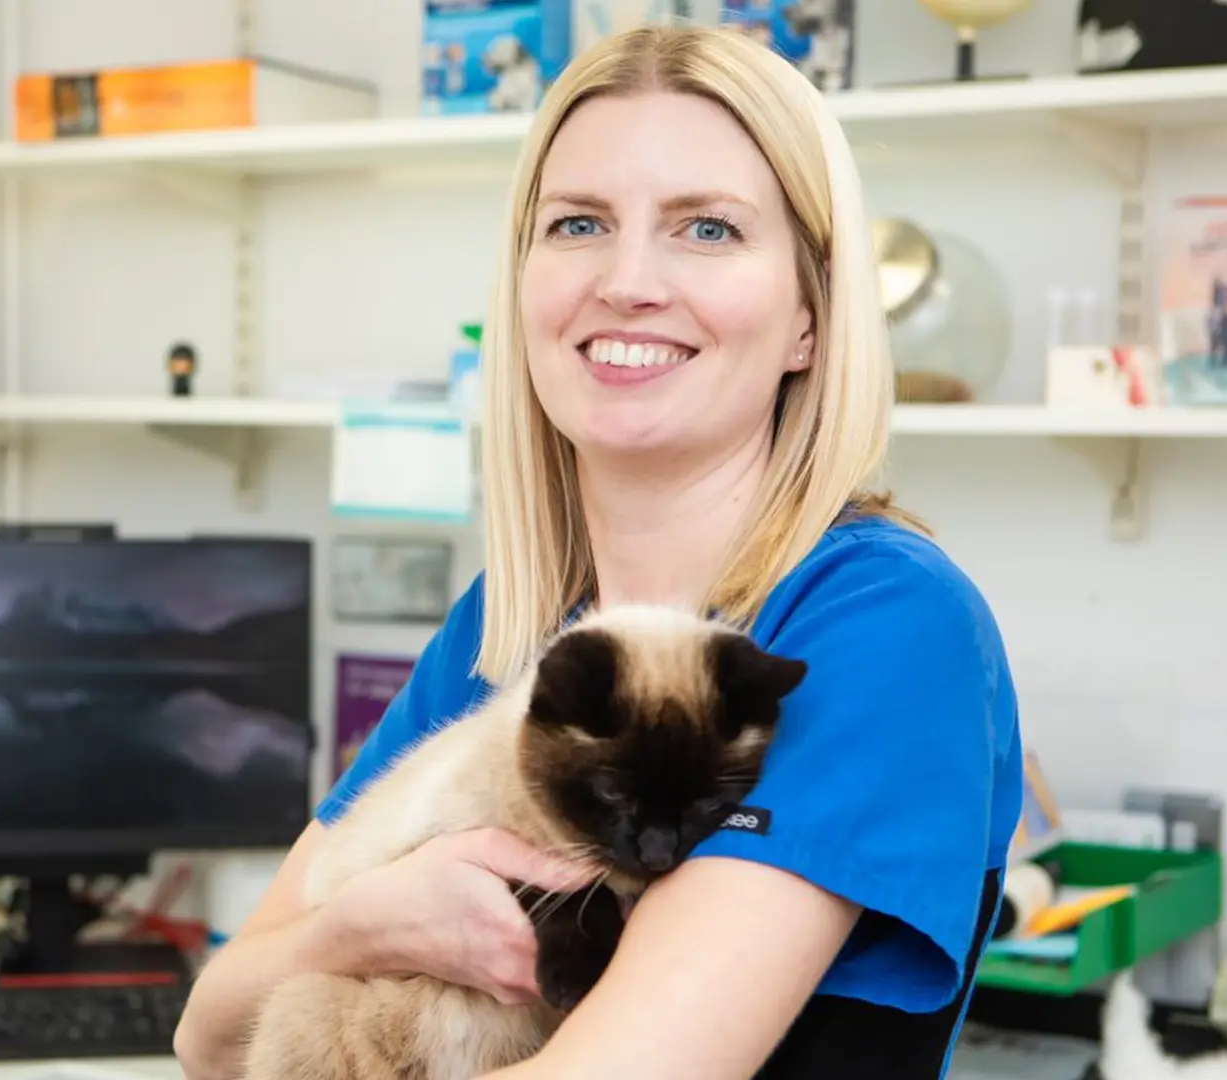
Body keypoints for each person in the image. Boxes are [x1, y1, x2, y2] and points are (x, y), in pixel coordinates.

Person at [172, 23, 1022, 1080]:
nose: (628, 282)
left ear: (811, 317)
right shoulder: (512, 627)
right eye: (579, 223)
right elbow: (208, 1033)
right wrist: (366, 927)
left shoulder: (879, 624)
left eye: (706, 230)